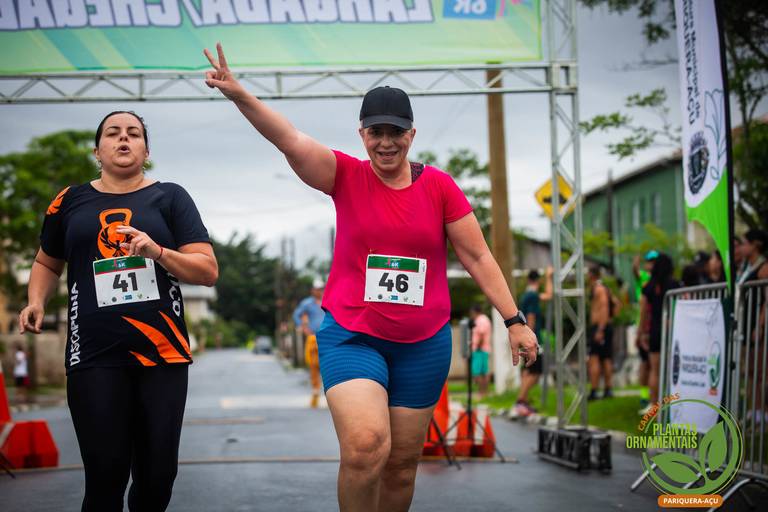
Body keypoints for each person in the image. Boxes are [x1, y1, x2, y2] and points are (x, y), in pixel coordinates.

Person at [203, 43, 538, 511]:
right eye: (376, 132)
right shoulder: (345, 175)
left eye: (395, 132)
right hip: (353, 336)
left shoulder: (440, 187)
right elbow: (289, 139)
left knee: (401, 465)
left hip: (423, 343)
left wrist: (514, 320)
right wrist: (241, 95)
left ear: (411, 134)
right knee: (365, 447)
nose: (386, 142)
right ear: (362, 134)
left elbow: (479, 257)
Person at [18, 111, 218, 512]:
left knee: (157, 477)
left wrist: (157, 251)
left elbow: (207, 271)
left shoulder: (170, 197)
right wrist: (36, 301)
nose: (123, 139)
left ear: (146, 151)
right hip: (93, 354)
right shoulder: (69, 201)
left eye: (133, 134)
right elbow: (46, 262)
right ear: (97, 151)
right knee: (105, 478)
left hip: (162, 354)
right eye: (113, 133)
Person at [638, 252, 679, 413]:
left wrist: (641, 332)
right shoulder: (674, 284)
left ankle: (654, 406)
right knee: (671, 370)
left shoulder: (648, 286)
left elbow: (643, 311)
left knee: (655, 370)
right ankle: (669, 405)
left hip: (655, 330)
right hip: (673, 330)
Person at [514, 267, 553, 416]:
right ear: (538, 280)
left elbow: (547, 296)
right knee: (535, 373)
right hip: (532, 340)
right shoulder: (532, 296)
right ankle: (520, 401)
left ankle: (523, 401)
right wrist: (531, 341)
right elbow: (531, 316)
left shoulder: (528, 295)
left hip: (526, 338)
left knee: (528, 371)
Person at [293, 279, 326, 408]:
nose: (319, 291)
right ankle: (315, 391)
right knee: (313, 365)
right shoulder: (307, 303)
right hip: (313, 337)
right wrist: (303, 327)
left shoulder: (328, 300)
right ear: (312, 290)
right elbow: (296, 315)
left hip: (327, 338)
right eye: (317, 289)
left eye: (321, 289)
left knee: (327, 365)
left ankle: (329, 394)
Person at [632, 251, 657, 408]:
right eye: (649, 261)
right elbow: (635, 271)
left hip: (654, 327)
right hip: (645, 326)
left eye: (654, 261)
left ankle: (654, 399)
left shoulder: (660, 280)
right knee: (646, 362)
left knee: (654, 365)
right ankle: (644, 396)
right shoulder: (644, 278)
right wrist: (636, 260)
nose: (651, 264)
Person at [587, 266, 614, 400]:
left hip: (600, 327)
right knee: (605, 358)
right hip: (604, 326)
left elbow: (604, 307)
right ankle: (608, 389)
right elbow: (616, 303)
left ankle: (594, 390)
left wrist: (601, 329)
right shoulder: (604, 288)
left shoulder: (599, 289)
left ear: (592, 275)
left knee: (594, 358)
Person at [468, 304, 492, 400]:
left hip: (480, 350)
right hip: (483, 349)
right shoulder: (484, 319)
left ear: (475, 312)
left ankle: (481, 393)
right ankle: (484, 392)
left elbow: (481, 334)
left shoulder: (480, 320)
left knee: (478, 372)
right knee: (483, 371)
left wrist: (478, 346)